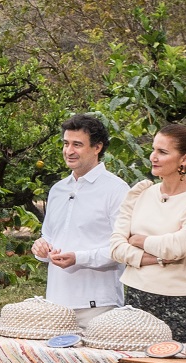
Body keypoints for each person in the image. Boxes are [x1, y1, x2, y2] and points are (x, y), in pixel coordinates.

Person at [108, 122, 186, 340]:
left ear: (184, 159)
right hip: (137, 298)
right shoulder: (140, 193)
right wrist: (154, 259)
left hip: (181, 302)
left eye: (162, 152)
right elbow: (115, 247)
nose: (153, 156)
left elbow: (178, 246)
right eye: (153, 149)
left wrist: (140, 240)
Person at [31, 114, 130, 328]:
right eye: (66, 144)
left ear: (97, 147)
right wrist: (40, 248)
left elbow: (122, 249)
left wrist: (79, 258)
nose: (69, 151)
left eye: (77, 144)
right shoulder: (57, 190)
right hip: (55, 306)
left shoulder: (117, 190)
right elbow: (48, 236)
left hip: (99, 307)